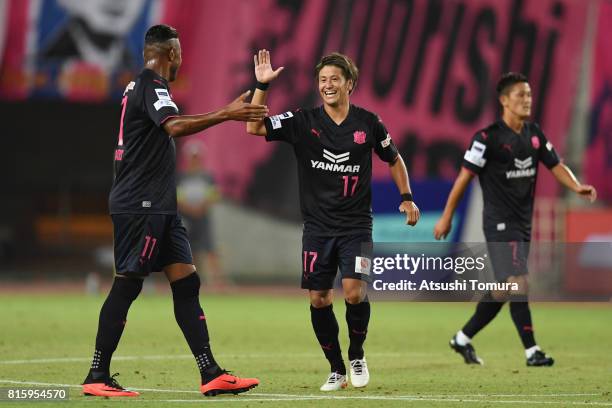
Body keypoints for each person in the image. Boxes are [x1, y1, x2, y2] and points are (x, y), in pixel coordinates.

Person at [81, 24, 268, 398]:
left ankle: (210, 372)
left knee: (187, 282)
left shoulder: (139, 86)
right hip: (141, 204)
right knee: (129, 282)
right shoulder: (152, 85)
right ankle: (97, 375)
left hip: (159, 206)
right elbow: (175, 126)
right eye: (180, 53)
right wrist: (227, 113)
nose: (182, 59)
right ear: (170, 54)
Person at [246, 50, 420, 391]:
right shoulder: (302, 121)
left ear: (349, 84)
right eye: (322, 80)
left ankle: (356, 354)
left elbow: (395, 159)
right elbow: (254, 126)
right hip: (316, 228)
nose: (327, 85)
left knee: (354, 293)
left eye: (334, 79)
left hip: (356, 225)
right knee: (319, 299)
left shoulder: (369, 123)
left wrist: (407, 197)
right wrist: (261, 85)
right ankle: (336, 368)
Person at [433, 72, 597, 367]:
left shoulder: (534, 135)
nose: (527, 100)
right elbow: (463, 178)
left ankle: (462, 338)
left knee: (505, 288)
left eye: (529, 95)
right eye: (521, 95)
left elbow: (556, 164)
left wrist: (576, 186)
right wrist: (446, 216)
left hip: (522, 223)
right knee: (519, 282)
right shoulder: (487, 139)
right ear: (504, 100)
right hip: (498, 222)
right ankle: (532, 351)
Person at [177, 142, 226, 289]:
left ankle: (217, 280)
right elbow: (177, 197)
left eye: (197, 157)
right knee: (189, 249)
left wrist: (201, 207)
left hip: (203, 216)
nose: (194, 159)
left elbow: (214, 195)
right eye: (192, 157)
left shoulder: (207, 176)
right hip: (186, 217)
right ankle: (191, 279)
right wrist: (189, 208)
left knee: (209, 247)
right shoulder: (181, 177)